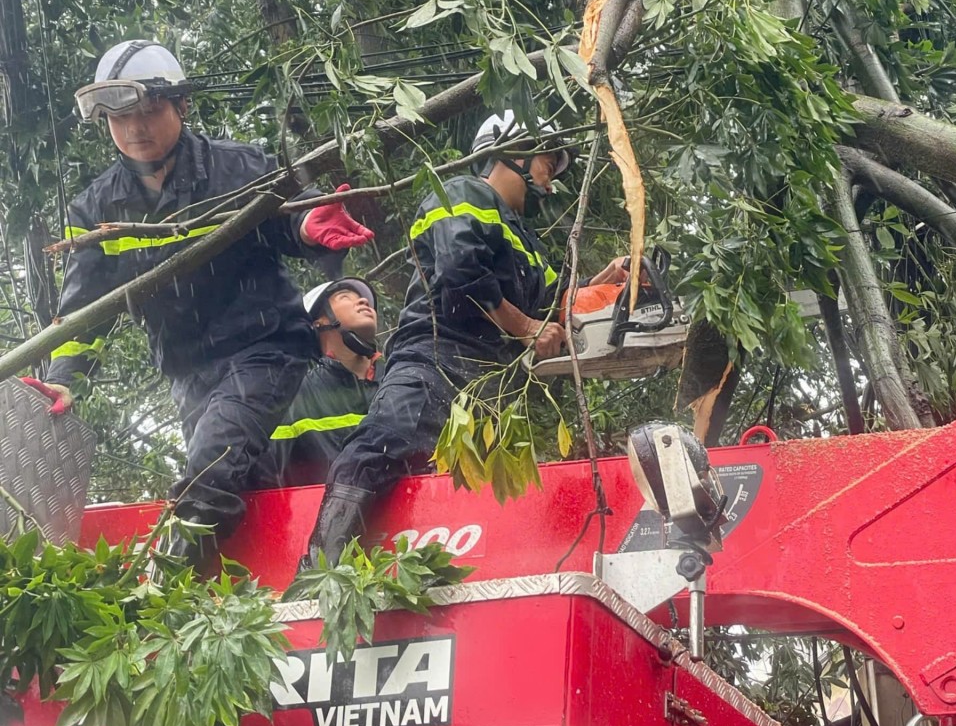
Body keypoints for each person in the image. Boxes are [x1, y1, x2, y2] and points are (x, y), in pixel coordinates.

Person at [24, 39, 374, 561]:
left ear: (182, 106)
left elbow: (285, 222)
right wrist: (65, 375)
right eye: (122, 119)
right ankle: (249, 608)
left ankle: (163, 583)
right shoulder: (97, 208)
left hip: (264, 349)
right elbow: (84, 306)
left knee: (211, 464)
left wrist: (306, 225)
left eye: (150, 111)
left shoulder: (236, 169)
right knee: (239, 478)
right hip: (189, 372)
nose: (136, 128)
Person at [302, 110, 628, 565]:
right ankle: (320, 572)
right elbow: (460, 269)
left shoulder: (530, 246)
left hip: (486, 392)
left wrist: (605, 282)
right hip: (434, 361)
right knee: (378, 447)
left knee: (458, 492)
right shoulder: (461, 194)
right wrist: (528, 329)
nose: (551, 175)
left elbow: (553, 309)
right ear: (510, 151)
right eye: (545, 161)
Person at [267, 277, 380, 487]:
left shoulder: (402, 377)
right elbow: (269, 474)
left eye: (364, 299)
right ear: (319, 322)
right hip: (326, 515)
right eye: (345, 297)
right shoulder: (297, 396)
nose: (364, 302)